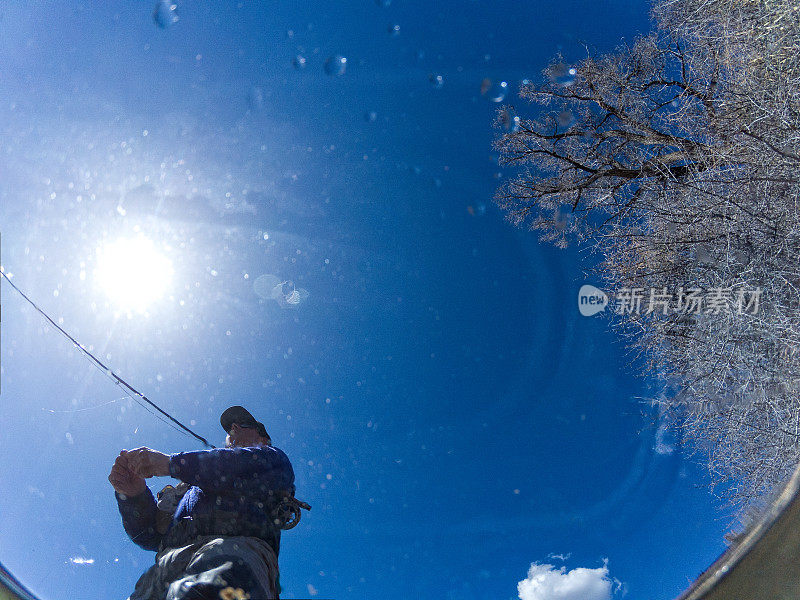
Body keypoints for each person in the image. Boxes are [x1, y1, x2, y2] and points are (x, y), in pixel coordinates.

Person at [109, 406, 296, 600]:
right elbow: (150, 537)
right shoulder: (189, 486)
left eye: (245, 425)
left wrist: (171, 463)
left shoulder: (272, 459)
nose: (234, 429)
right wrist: (133, 495)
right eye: (231, 429)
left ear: (264, 439)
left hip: (234, 550)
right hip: (164, 567)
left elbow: (242, 466)